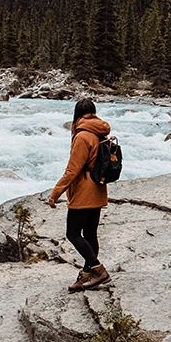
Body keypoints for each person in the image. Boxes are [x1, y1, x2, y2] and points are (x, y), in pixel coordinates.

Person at [48, 97, 112, 292]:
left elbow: (72, 170)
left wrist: (55, 193)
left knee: (73, 233)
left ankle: (98, 269)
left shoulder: (83, 136)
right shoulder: (100, 131)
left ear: (76, 114)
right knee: (90, 233)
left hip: (84, 191)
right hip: (98, 188)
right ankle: (86, 274)